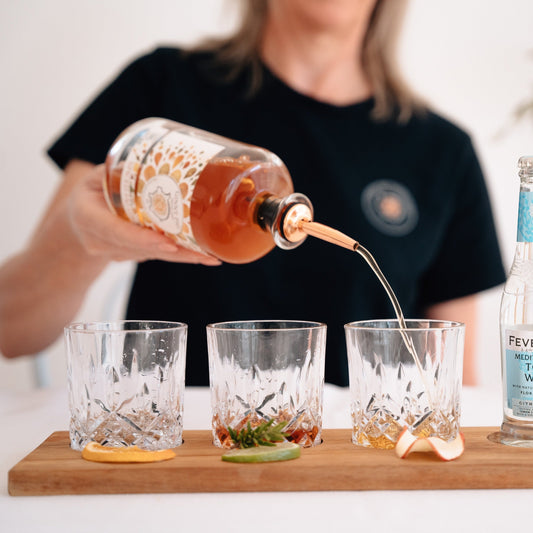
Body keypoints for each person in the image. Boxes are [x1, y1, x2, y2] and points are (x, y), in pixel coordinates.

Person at [0, 0, 505, 386]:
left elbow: (454, 385)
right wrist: (79, 238)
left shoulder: (442, 152)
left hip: (352, 480)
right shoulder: (163, 90)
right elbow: (12, 329)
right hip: (174, 466)